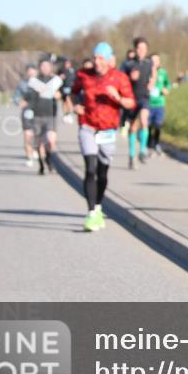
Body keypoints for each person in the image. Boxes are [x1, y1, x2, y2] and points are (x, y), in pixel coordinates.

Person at [68, 42, 135, 232]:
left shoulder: (119, 78)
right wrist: (74, 105)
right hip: (87, 125)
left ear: (108, 60)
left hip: (107, 129)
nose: (97, 62)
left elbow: (131, 103)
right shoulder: (84, 75)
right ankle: (91, 213)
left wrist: (118, 98)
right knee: (90, 168)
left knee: (103, 172)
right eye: (95, 57)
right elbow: (72, 93)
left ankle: (98, 206)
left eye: (100, 58)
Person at [27, 58, 63, 175]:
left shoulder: (55, 81)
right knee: (38, 141)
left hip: (50, 115)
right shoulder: (35, 81)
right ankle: (41, 164)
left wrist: (58, 95)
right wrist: (29, 110)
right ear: (40, 68)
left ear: (50, 67)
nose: (45, 68)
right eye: (42, 66)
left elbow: (61, 95)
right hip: (37, 115)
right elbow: (31, 98)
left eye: (47, 66)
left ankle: (48, 158)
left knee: (50, 140)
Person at [122, 38, 154, 168]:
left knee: (144, 120)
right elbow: (120, 79)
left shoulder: (149, 62)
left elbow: (153, 73)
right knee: (133, 128)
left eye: (144, 49)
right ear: (135, 50)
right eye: (139, 49)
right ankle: (131, 155)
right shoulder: (128, 64)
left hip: (144, 97)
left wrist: (152, 82)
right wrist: (129, 78)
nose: (141, 51)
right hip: (132, 99)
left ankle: (142, 151)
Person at [12, 64, 39, 167]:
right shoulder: (22, 84)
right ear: (27, 73)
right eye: (29, 72)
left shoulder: (41, 83)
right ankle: (29, 157)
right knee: (28, 135)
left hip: (40, 113)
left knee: (37, 135)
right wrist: (20, 102)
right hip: (27, 112)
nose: (31, 74)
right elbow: (16, 97)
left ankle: (36, 149)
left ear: (36, 72)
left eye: (33, 72)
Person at [147, 53, 170, 155]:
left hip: (159, 103)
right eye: (152, 60)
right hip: (148, 104)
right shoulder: (146, 72)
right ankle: (148, 144)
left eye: (156, 60)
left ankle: (156, 143)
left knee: (158, 125)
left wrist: (166, 90)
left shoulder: (163, 73)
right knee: (148, 126)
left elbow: (168, 85)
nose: (154, 62)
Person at [59, 58, 76, 123]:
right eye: (66, 63)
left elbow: (74, 78)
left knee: (69, 100)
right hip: (63, 88)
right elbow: (58, 79)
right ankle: (65, 115)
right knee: (64, 102)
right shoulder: (61, 70)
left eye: (68, 63)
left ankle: (69, 114)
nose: (67, 64)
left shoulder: (73, 70)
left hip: (70, 89)